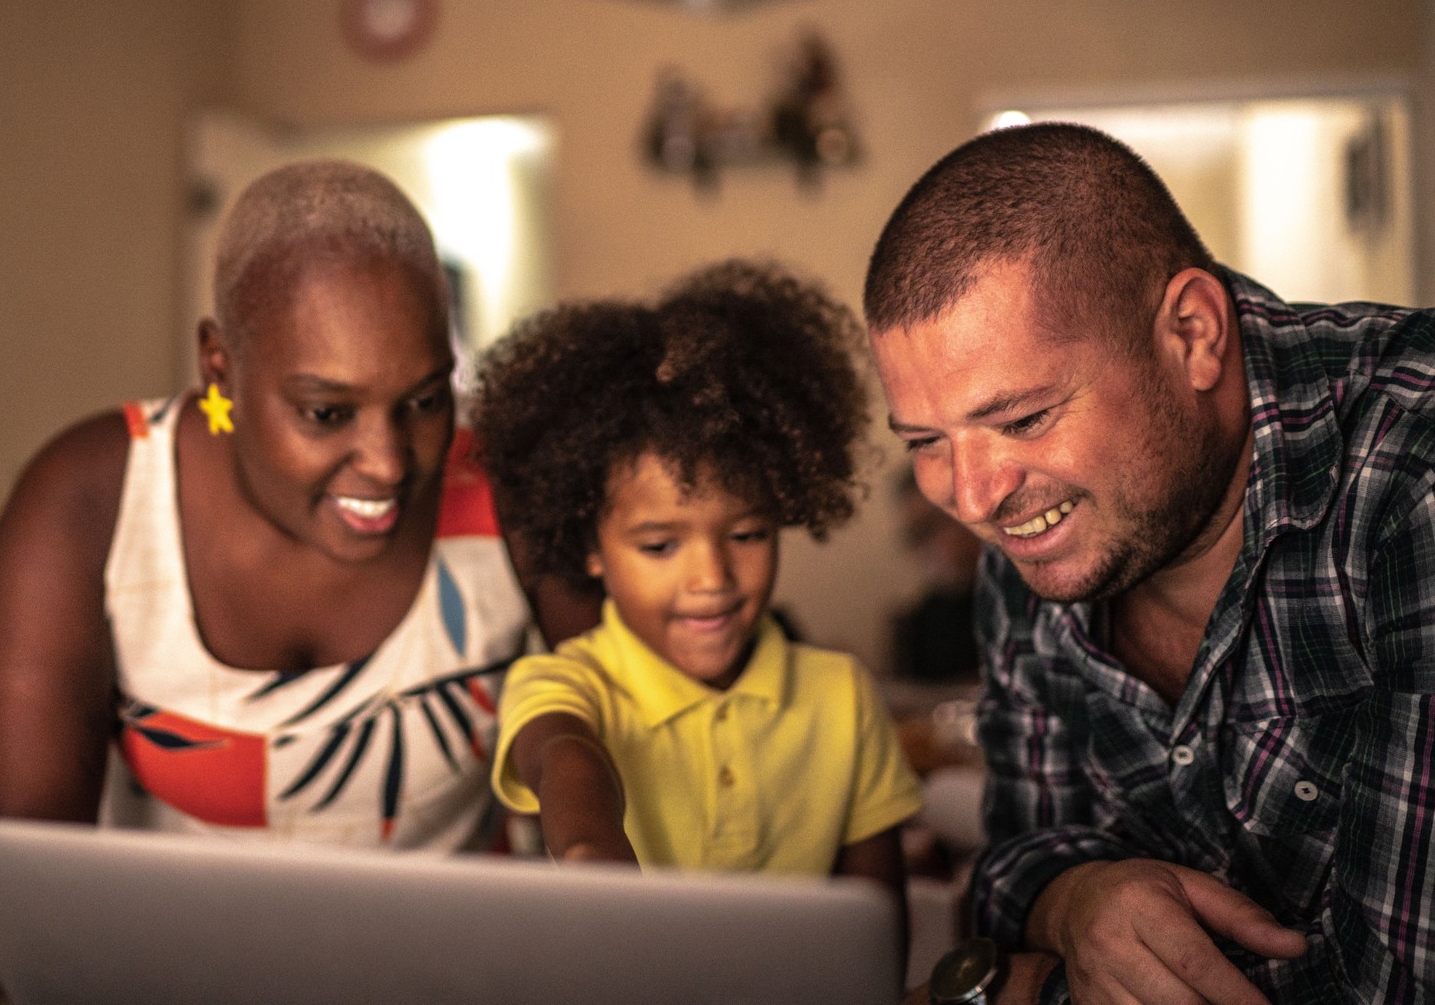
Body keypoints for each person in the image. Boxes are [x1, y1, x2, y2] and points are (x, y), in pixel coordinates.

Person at [864, 122, 1434, 1004]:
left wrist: (1022, 992)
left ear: (1193, 334)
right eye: (927, 441)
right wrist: (1074, 900)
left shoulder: (1412, 475)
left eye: (1022, 419)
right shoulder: (1036, 538)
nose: (973, 499)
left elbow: (1395, 984)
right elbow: (1014, 858)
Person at [0, 160, 564, 849]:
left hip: (460, 961)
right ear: (219, 364)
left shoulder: (508, 488)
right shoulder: (91, 501)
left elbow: (654, 722)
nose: (390, 461)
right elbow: (24, 882)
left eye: (426, 400)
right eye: (326, 412)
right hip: (162, 963)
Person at [472, 260, 923, 924]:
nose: (712, 579)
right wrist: (593, 851)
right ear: (589, 547)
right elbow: (565, 755)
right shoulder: (566, 682)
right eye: (660, 545)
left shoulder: (842, 696)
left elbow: (877, 928)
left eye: (746, 534)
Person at [890, 466, 985, 682]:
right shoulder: (919, 622)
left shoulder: (1026, 598)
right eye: (913, 535)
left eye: (925, 530)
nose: (919, 547)